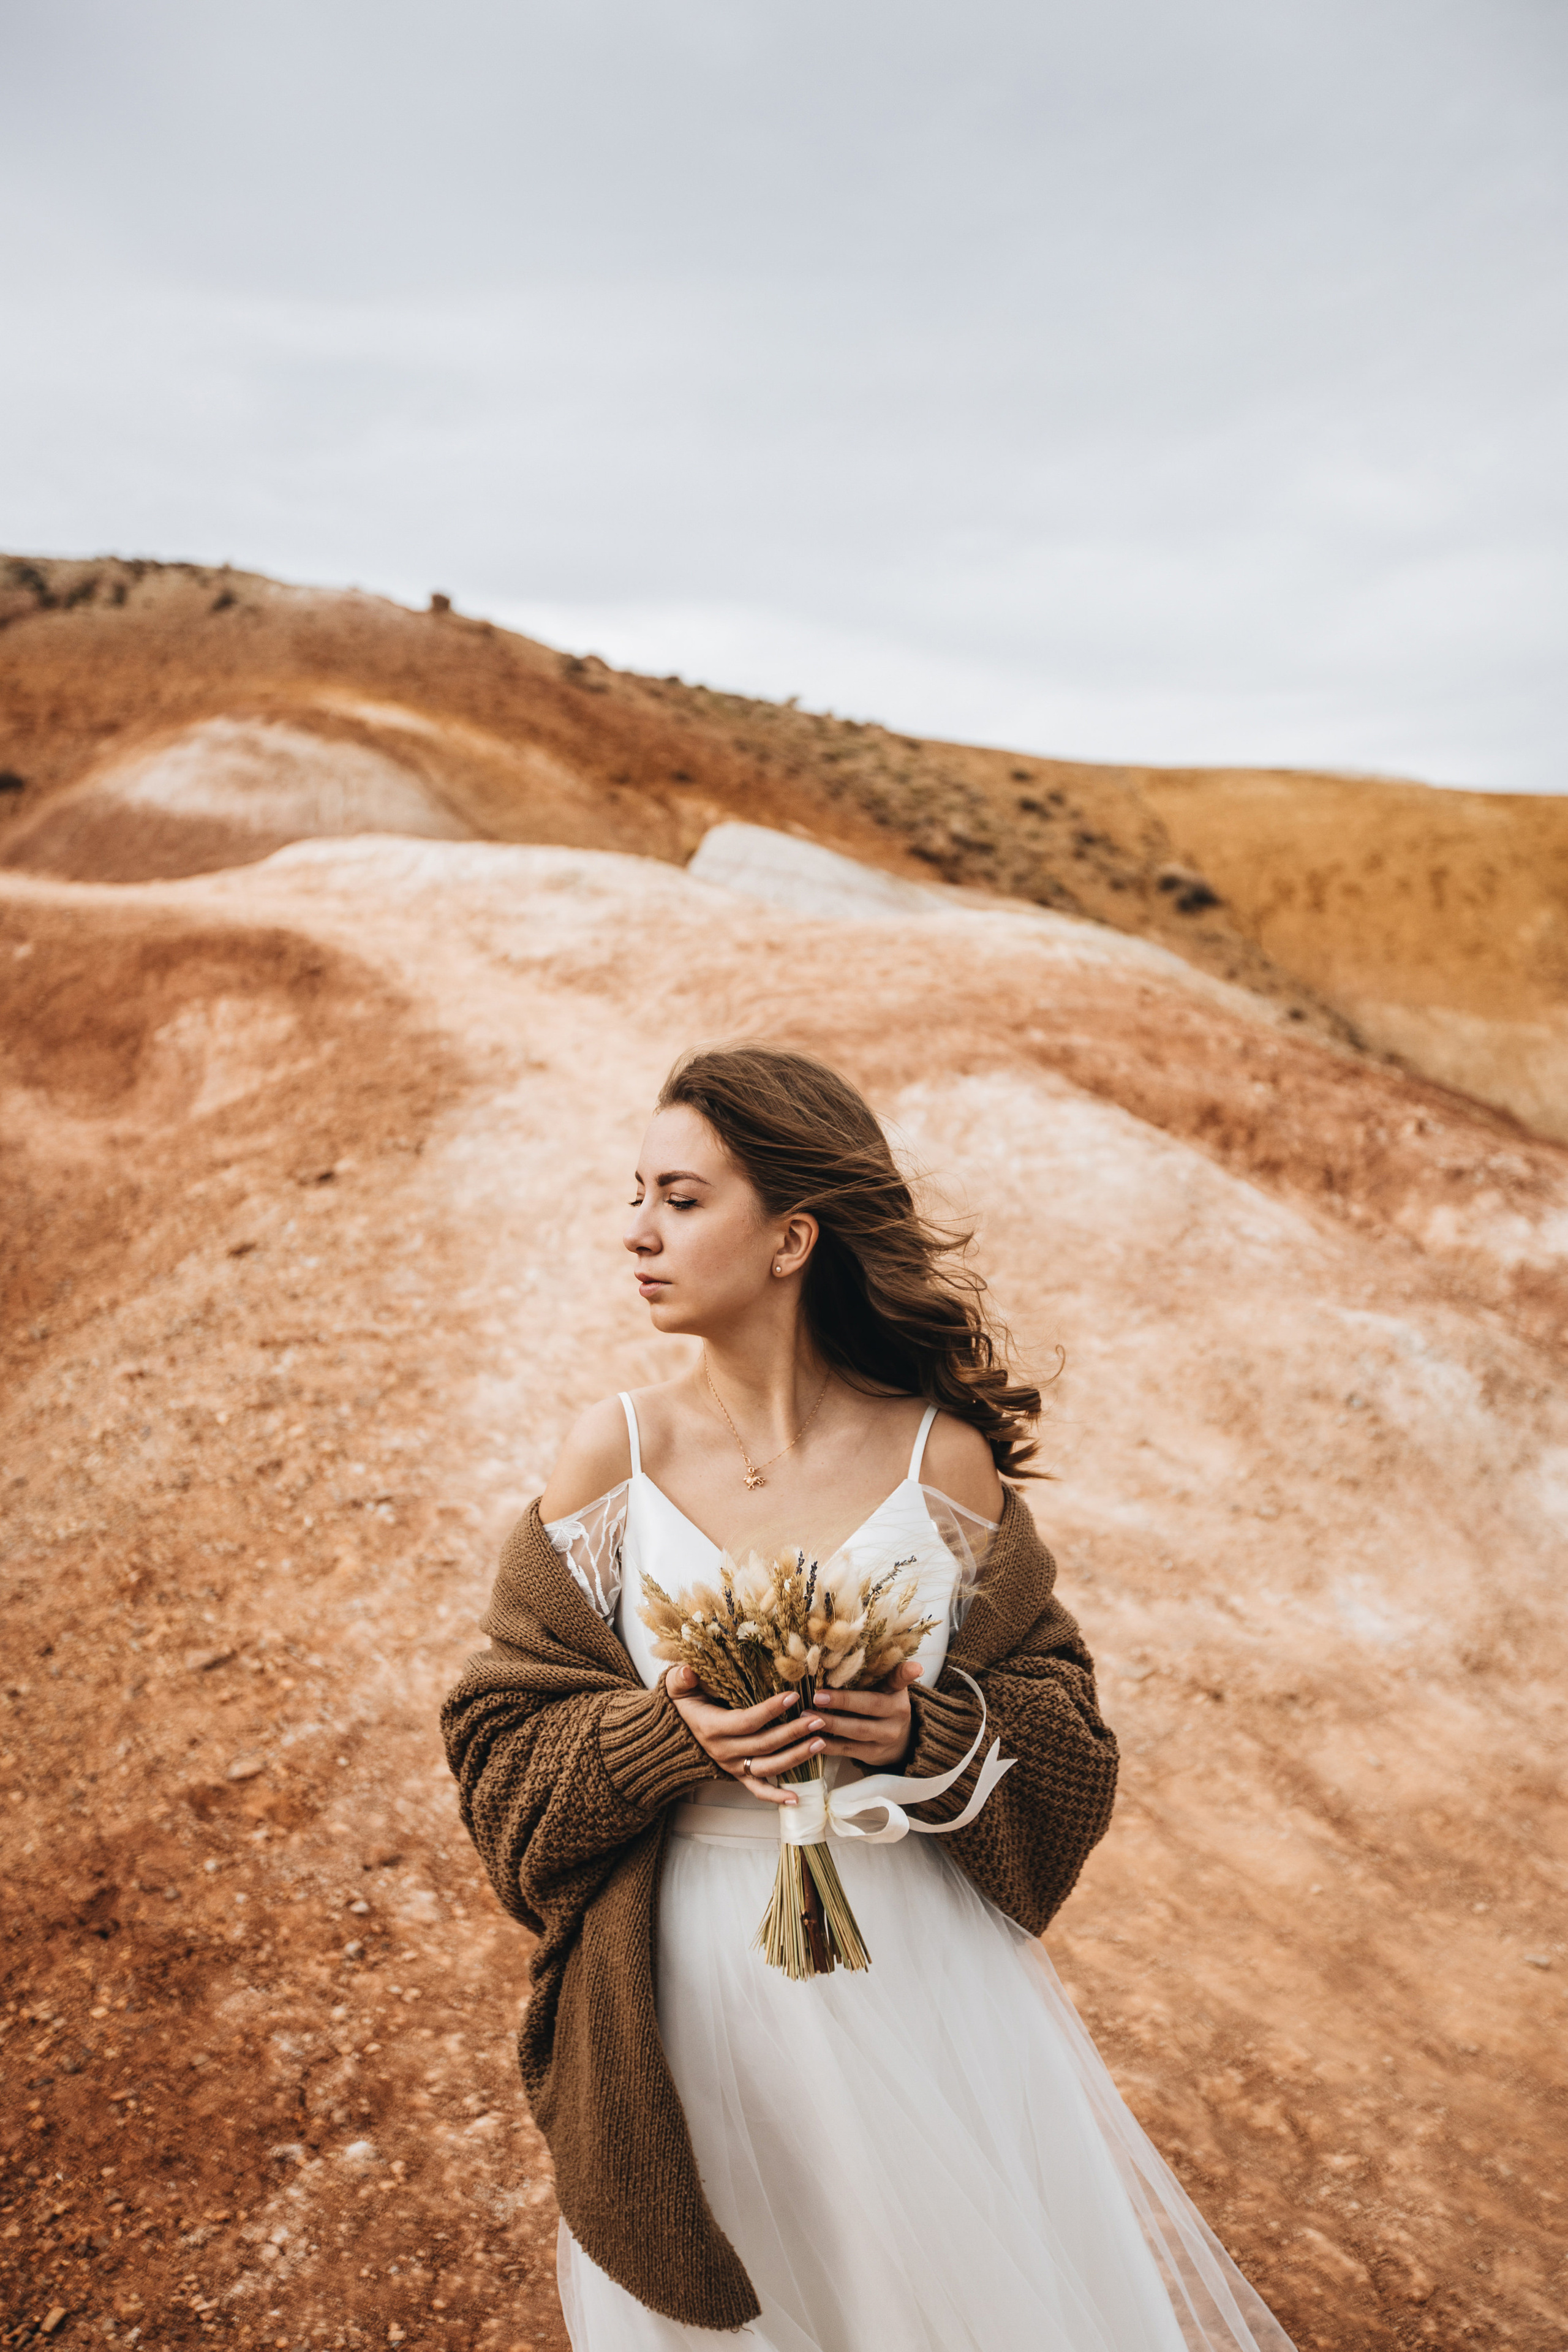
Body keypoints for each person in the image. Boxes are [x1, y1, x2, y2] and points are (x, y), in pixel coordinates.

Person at [443, 1045, 1295, 2351]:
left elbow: (1061, 1719)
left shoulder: (940, 1461)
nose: (637, 1232)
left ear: (792, 1239)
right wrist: (665, 1738)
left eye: (681, 1199)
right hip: (687, 1986)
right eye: (637, 1194)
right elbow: (500, 1729)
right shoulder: (613, 1457)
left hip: (919, 1969)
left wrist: (922, 1733)